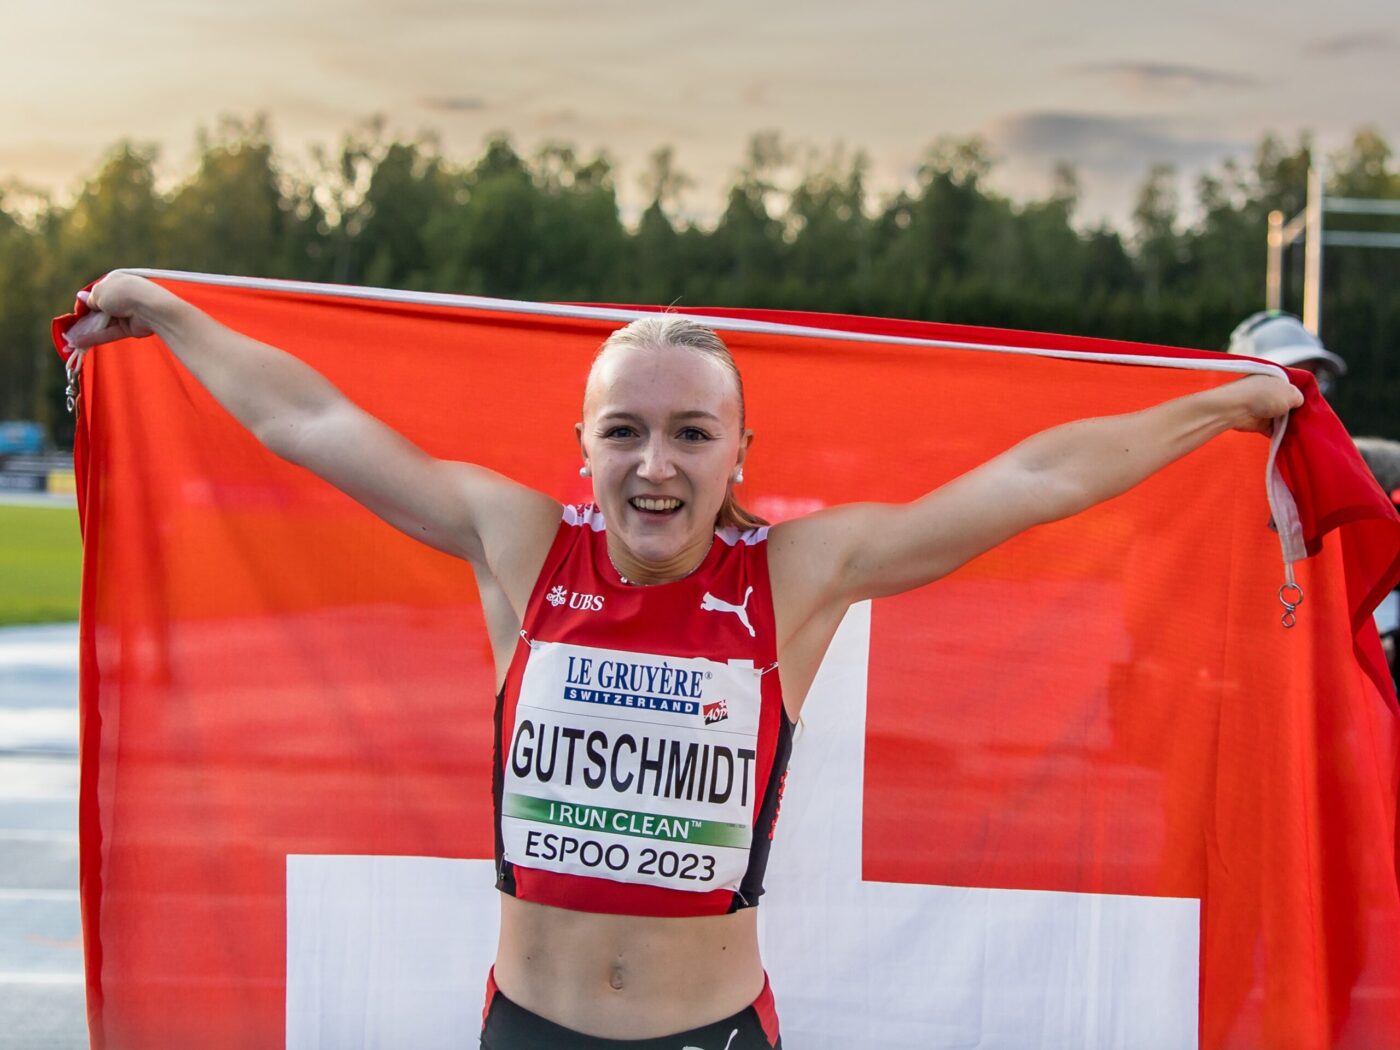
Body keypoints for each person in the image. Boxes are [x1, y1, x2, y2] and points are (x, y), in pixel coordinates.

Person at [67, 271, 1303, 1050]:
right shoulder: (516, 548)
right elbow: (313, 423)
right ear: (585, 445)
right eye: (625, 431)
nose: (654, 463)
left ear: (735, 451)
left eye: (689, 433)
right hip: (525, 1032)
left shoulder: (793, 578)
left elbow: (1033, 481)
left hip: (707, 1039)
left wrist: (1220, 404)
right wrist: (174, 314)